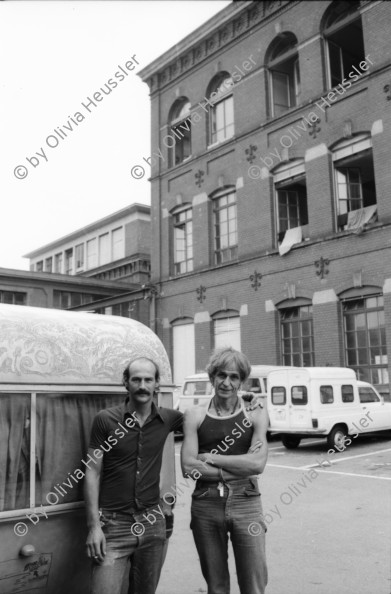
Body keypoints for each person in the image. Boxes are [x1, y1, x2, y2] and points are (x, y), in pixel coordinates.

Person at [84, 356, 182, 594]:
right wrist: (94, 526)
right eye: (136, 379)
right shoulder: (105, 420)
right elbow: (92, 472)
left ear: (157, 384)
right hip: (113, 526)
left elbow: (207, 421)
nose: (142, 385)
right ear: (125, 383)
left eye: (148, 380)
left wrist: (248, 404)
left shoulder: (168, 419)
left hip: (152, 524)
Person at [181, 347, 269, 594]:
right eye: (221, 375)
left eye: (233, 377)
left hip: (246, 501)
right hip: (206, 503)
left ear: (241, 381)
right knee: (217, 586)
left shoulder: (254, 412)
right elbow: (189, 468)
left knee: (254, 584)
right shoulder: (195, 415)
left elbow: (257, 464)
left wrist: (210, 457)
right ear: (212, 377)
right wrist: (239, 467)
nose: (226, 383)